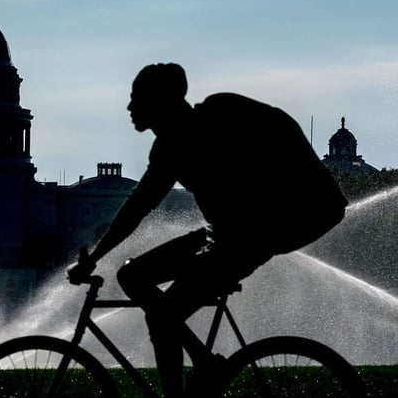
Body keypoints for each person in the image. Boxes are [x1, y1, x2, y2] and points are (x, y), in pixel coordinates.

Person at [68, 63, 347, 398]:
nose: (130, 108)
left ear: (161, 101)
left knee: (163, 317)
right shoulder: (169, 147)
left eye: (137, 99)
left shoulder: (214, 116)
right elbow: (137, 208)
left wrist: (93, 259)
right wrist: (96, 257)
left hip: (259, 231)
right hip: (230, 233)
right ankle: (200, 361)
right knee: (132, 277)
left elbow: (137, 209)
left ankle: (191, 378)